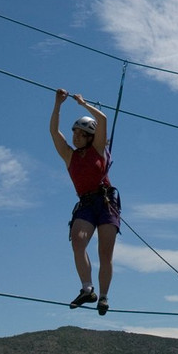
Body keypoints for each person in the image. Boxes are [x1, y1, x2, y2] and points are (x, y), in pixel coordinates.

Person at [50, 88, 119, 316]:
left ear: (90, 136)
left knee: (104, 253)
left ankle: (104, 297)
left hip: (106, 201)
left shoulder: (98, 150)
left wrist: (83, 104)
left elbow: (103, 119)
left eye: (80, 134)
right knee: (78, 243)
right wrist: (58, 104)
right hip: (86, 204)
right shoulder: (69, 156)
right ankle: (88, 289)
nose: (75, 137)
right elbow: (53, 131)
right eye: (74, 133)